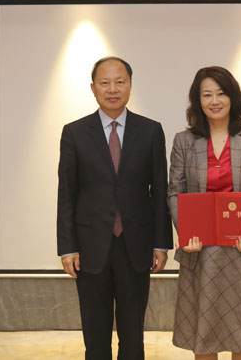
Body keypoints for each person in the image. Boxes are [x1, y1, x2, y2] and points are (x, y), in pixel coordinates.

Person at [57, 56, 173, 360]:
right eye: (105, 83)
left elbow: (160, 190)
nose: (112, 89)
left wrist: (161, 244)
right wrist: (68, 248)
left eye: (120, 82)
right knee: (95, 337)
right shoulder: (74, 132)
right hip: (89, 247)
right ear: (93, 88)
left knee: (133, 337)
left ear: (130, 85)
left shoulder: (150, 131)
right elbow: (67, 193)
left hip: (136, 246)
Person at [168, 66, 241, 360]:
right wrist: (187, 233)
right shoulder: (184, 141)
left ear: (233, 97)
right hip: (201, 251)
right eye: (207, 95)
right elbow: (175, 192)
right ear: (198, 100)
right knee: (204, 336)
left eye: (221, 93)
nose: (215, 101)